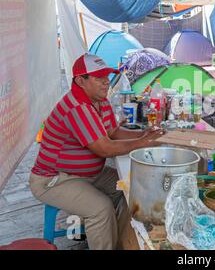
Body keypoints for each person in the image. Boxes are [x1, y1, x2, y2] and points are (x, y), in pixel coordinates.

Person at [29, 53, 162, 250]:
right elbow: (104, 148)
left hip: (87, 174)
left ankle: (117, 239)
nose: (105, 83)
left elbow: (113, 133)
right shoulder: (77, 107)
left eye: (107, 77)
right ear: (81, 81)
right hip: (54, 180)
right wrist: (142, 142)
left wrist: (145, 134)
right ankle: (105, 236)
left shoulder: (100, 101)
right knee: (100, 209)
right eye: (99, 78)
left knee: (131, 187)